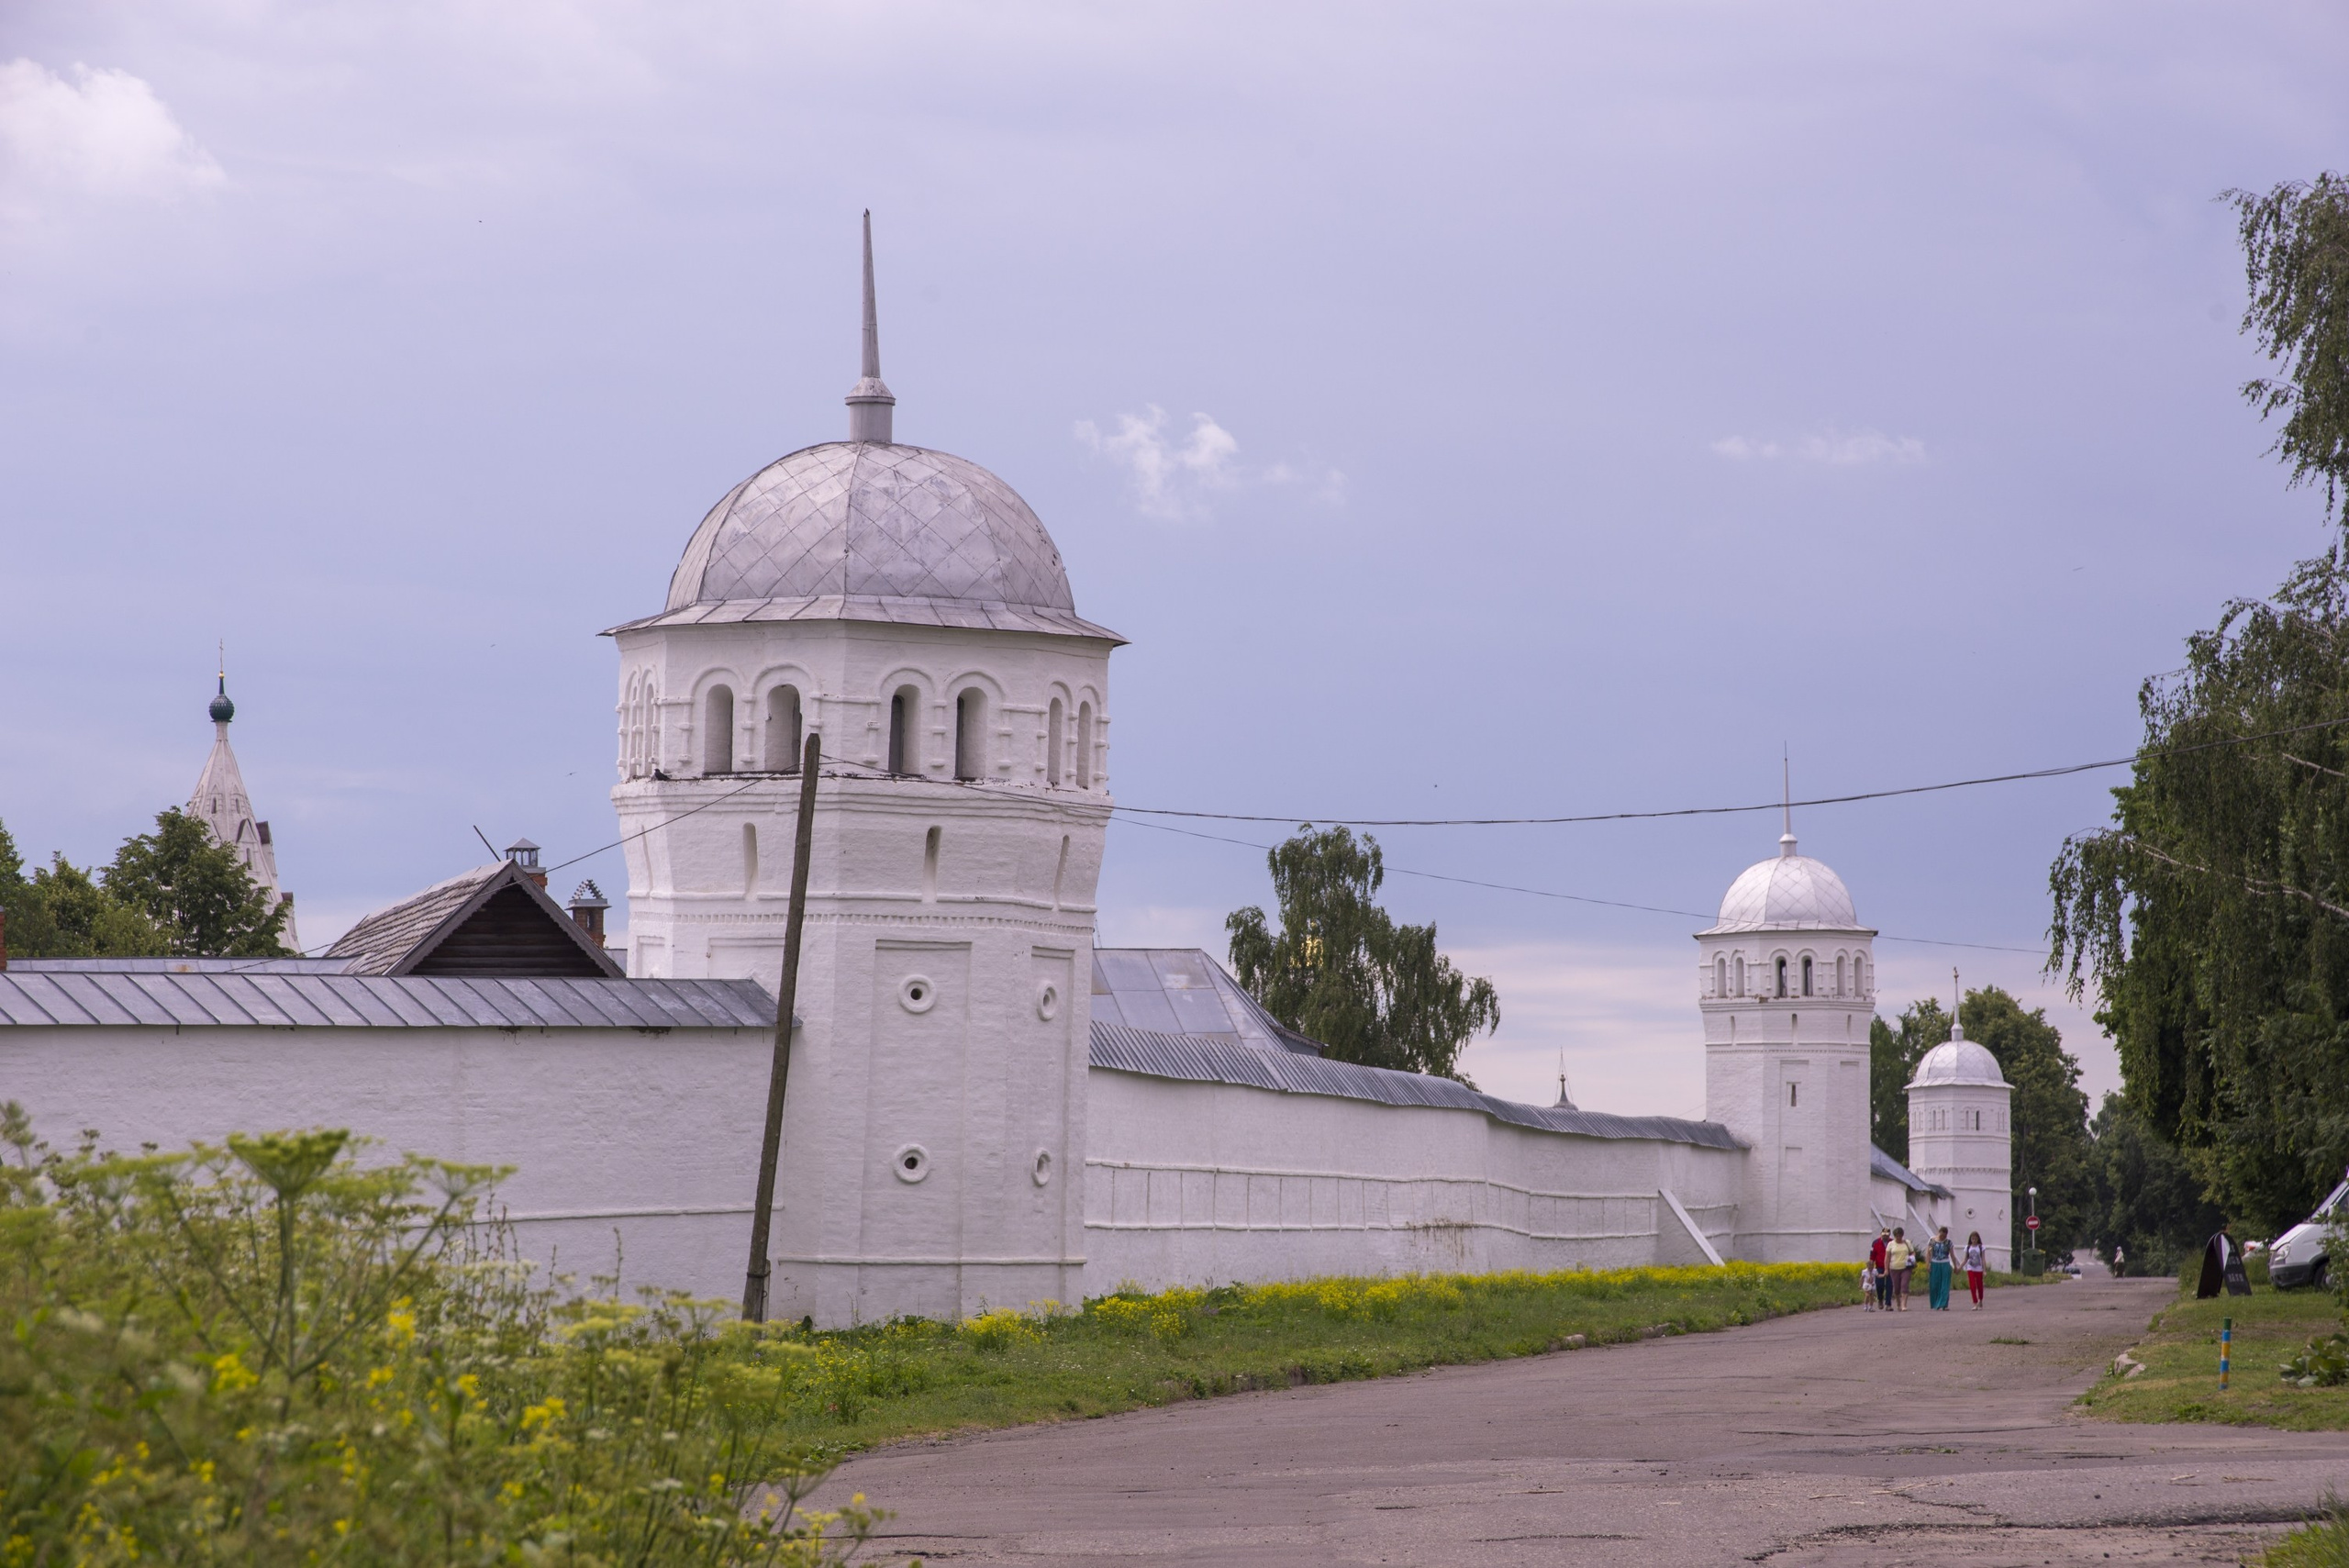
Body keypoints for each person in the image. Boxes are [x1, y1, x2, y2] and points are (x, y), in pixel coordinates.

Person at [1886, 1227, 1914, 1311]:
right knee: (1897, 1288)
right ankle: (1898, 1302)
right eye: (1897, 1236)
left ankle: (1903, 1304)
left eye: (1900, 1236)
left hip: (1906, 1267)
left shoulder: (1907, 1243)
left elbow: (1912, 1252)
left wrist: (1912, 1258)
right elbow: (1887, 1257)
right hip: (1894, 1268)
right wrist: (1886, 1269)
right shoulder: (1891, 1244)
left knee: (1904, 1286)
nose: (1898, 1237)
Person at [1926, 1226, 1954, 1310]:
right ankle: (1935, 1304)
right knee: (1935, 1284)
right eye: (1942, 1235)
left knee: (1945, 1284)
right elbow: (1928, 1253)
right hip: (1935, 1263)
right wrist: (1927, 1264)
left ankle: (1943, 1304)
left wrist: (1956, 1266)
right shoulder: (1932, 1240)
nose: (1943, 1237)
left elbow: (1952, 1255)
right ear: (1939, 1233)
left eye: (1944, 1236)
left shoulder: (1948, 1242)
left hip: (1945, 1263)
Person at [1869, 1228, 1892, 1311]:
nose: (1885, 1237)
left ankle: (1888, 1304)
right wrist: (1870, 1267)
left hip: (1890, 1266)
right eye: (1883, 1235)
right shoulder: (1875, 1243)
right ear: (1881, 1234)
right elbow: (1872, 1256)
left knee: (1890, 1285)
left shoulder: (1892, 1242)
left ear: (1889, 1235)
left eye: (1887, 1235)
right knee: (1879, 1285)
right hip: (1879, 1266)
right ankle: (1880, 1299)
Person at [1963, 1230, 1987, 1309]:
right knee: (1972, 1286)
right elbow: (1965, 1259)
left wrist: (1984, 1270)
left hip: (1979, 1269)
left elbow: (1983, 1259)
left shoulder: (1981, 1247)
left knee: (1980, 1287)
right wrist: (1959, 1267)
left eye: (1975, 1239)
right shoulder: (1968, 1247)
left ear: (1978, 1239)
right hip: (1970, 1268)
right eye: (1972, 1239)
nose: (1974, 1240)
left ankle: (1980, 1300)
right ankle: (1975, 1303)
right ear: (1970, 1239)